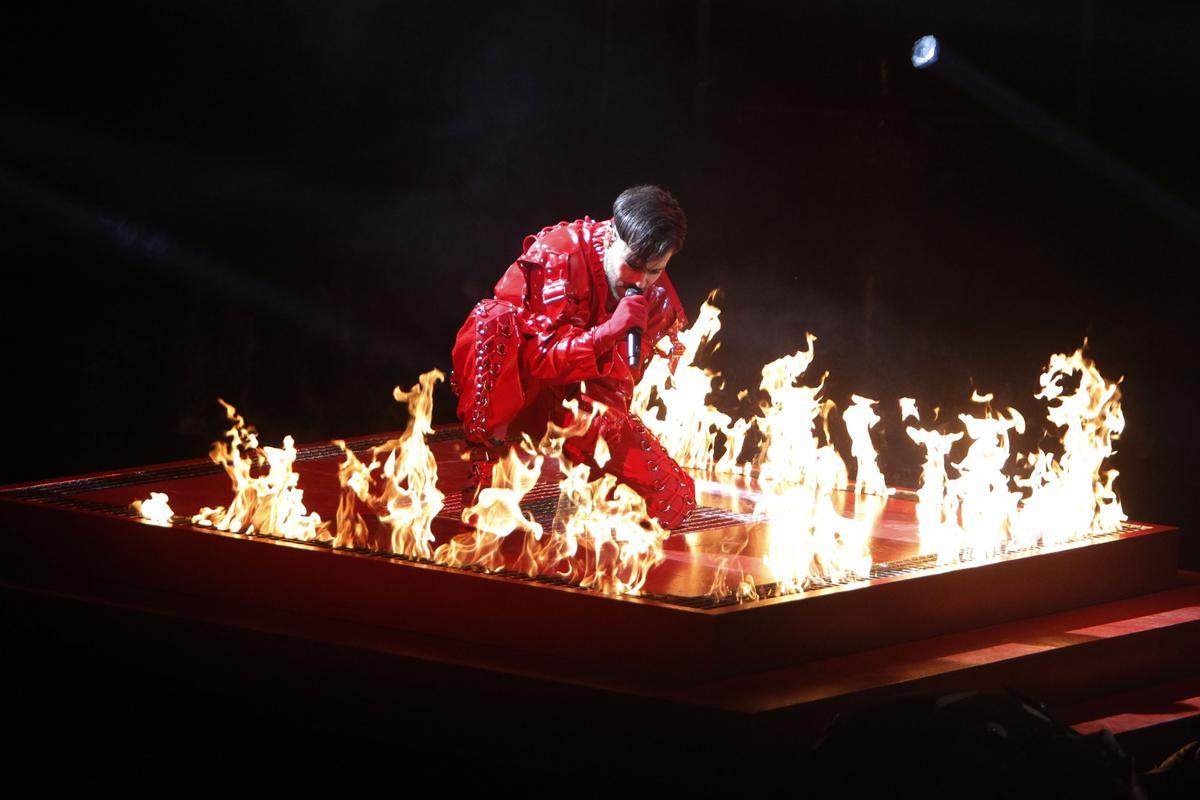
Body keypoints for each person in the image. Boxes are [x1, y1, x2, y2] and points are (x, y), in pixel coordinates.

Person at [451, 185, 696, 528]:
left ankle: (588, 485)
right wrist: (610, 331)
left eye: (654, 271)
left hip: (576, 401)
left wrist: (601, 445)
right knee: (494, 322)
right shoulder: (561, 252)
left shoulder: (656, 297)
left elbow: (616, 391)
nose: (640, 282)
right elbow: (541, 359)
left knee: (675, 499)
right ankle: (486, 459)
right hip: (519, 389)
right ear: (612, 234)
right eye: (634, 265)